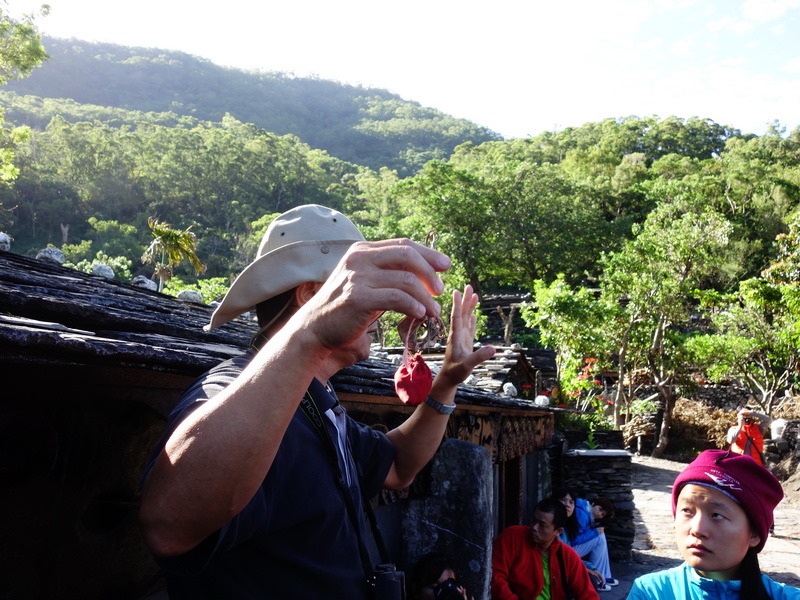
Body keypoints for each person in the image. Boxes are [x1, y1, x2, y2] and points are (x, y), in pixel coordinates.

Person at [138, 204, 496, 599]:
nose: (379, 313)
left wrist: (446, 383)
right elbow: (168, 528)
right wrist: (309, 332)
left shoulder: (318, 401)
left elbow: (398, 466)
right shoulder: (236, 388)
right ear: (310, 295)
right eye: (362, 289)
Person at [628, 449, 800, 600]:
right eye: (687, 510)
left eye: (717, 515)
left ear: (754, 534)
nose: (697, 530)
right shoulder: (651, 593)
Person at [491, 497, 600, 600]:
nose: (534, 527)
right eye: (534, 520)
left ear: (558, 531)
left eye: (542, 525)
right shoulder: (513, 536)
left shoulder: (567, 556)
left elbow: (588, 595)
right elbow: (496, 577)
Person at [552, 488, 616, 592]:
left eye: (603, 514)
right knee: (599, 536)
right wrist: (594, 532)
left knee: (600, 534)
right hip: (569, 549)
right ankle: (601, 579)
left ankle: (604, 576)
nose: (600, 514)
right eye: (600, 510)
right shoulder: (583, 515)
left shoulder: (584, 512)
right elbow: (575, 539)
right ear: (593, 503)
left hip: (567, 549)